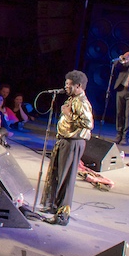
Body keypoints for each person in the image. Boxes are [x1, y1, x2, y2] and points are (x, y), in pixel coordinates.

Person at [41, 70, 93, 226]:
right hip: (65, 141)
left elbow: (88, 124)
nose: (66, 86)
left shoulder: (81, 102)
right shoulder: (73, 99)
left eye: (69, 84)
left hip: (73, 143)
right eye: (66, 83)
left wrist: (69, 114)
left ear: (78, 86)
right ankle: (54, 206)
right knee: (58, 174)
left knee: (66, 178)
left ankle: (63, 215)